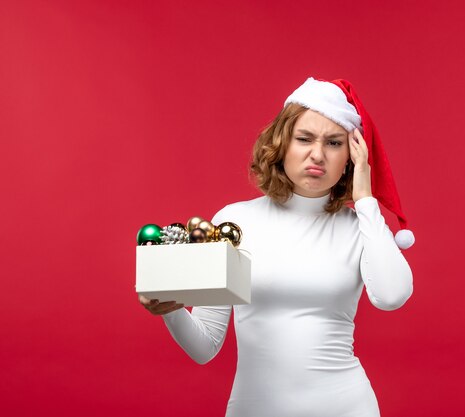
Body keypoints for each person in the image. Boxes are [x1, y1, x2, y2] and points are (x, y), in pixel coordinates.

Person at [139, 77, 414, 417]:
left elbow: (391, 296)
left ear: (351, 156)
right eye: (304, 138)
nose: (317, 154)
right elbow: (205, 345)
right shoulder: (234, 222)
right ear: (282, 143)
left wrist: (366, 200)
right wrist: (171, 309)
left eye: (333, 143)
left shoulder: (362, 228)